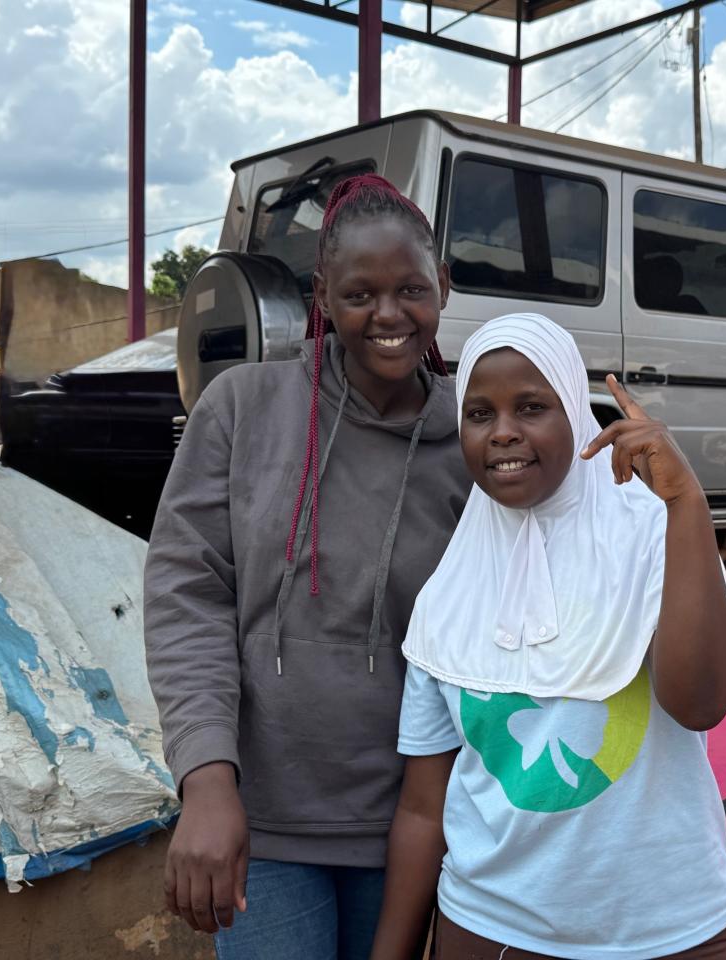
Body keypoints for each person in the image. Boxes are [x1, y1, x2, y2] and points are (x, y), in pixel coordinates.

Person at [143, 173, 471, 960]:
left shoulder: (473, 443)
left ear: (443, 288)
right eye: (359, 294)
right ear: (323, 293)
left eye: (410, 290)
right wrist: (207, 781)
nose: (388, 317)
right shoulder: (241, 408)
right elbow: (187, 598)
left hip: (414, 824)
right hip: (262, 818)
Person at [371, 313, 726, 960]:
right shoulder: (450, 594)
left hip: (666, 932)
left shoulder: (653, 538)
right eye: (480, 414)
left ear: (577, 410)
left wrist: (687, 505)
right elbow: (423, 809)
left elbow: (702, 702)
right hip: (484, 931)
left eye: (533, 407)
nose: (505, 432)